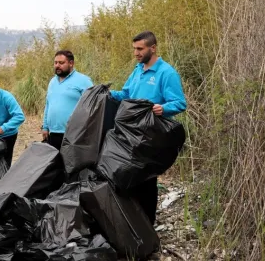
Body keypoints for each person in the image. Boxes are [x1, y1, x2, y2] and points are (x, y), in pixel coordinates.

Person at [110, 31, 187, 224]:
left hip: (151, 136)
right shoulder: (138, 70)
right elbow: (126, 95)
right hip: (131, 133)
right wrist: (107, 93)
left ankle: (147, 226)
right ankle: (132, 224)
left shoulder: (166, 73)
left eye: (140, 49)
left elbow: (179, 103)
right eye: (134, 49)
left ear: (152, 48)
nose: (136, 53)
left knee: (146, 180)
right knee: (128, 176)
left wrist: (163, 108)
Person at [41, 50, 93, 150]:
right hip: (53, 133)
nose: (57, 65)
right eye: (55, 63)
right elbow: (48, 104)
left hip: (74, 134)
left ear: (71, 63)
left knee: (71, 160)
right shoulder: (52, 82)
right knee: (54, 160)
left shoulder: (83, 80)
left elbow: (93, 106)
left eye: (61, 63)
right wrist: (45, 127)